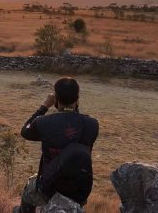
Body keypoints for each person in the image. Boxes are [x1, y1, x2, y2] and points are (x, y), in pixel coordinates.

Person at [18, 77, 99, 212]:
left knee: (28, 189)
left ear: (55, 100)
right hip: (79, 191)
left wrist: (44, 107)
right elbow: (74, 126)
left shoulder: (43, 123)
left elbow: (25, 131)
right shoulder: (92, 124)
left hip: (50, 187)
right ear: (77, 99)